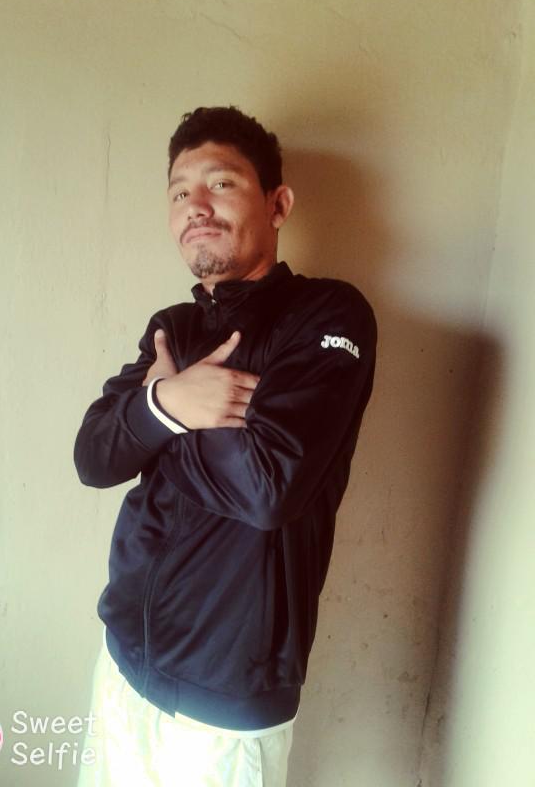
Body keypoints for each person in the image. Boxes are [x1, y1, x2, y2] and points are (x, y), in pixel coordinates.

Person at [74, 106, 377, 787]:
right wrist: (169, 405)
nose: (196, 206)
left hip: (225, 705)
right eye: (180, 192)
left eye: (221, 184)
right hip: (123, 662)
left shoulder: (329, 316)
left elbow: (268, 489)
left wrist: (155, 423)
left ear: (278, 204)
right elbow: (93, 457)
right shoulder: (174, 327)